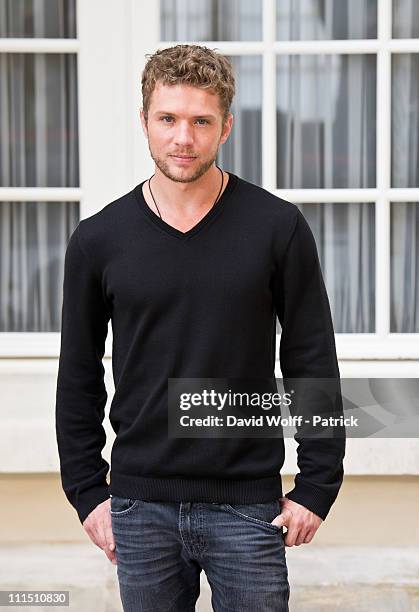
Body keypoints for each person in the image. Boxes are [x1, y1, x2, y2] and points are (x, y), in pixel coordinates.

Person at [55, 44, 346, 612]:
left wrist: (317, 485)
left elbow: (311, 359)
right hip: (139, 507)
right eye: (167, 118)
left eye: (200, 121)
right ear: (144, 121)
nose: (182, 138)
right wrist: (88, 491)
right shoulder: (98, 240)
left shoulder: (277, 227)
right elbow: (78, 374)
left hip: (248, 506)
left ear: (226, 127)